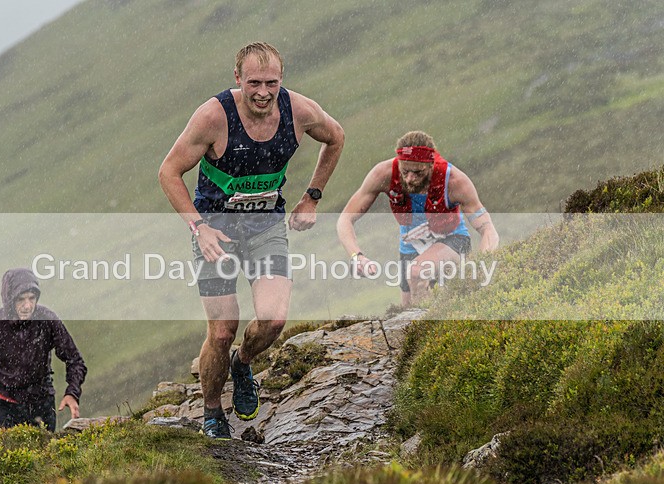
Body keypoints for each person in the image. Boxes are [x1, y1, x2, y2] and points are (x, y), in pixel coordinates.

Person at [158, 42, 344, 439]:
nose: (263, 92)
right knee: (222, 330)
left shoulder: (300, 111)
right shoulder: (213, 117)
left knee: (274, 319)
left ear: (282, 79)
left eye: (271, 82)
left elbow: (336, 137)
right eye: (254, 82)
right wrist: (198, 228)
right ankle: (212, 412)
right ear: (237, 79)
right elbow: (169, 172)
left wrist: (312, 197)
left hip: (265, 227)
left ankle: (242, 365)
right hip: (216, 231)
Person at [337, 130, 498, 305]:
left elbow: (488, 229)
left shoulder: (454, 182)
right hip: (410, 246)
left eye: (418, 172)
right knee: (406, 310)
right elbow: (345, 219)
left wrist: (480, 265)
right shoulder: (383, 174)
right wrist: (356, 256)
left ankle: (429, 327)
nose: (410, 179)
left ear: (431, 165)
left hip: (453, 241)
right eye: (405, 171)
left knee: (416, 271)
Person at [0, 268, 87, 437]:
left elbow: (75, 360)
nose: (27, 305)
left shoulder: (47, 320)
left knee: (43, 460)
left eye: (32, 298)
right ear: (9, 300)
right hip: (2, 403)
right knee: (5, 459)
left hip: (41, 403)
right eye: (20, 299)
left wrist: (72, 393)